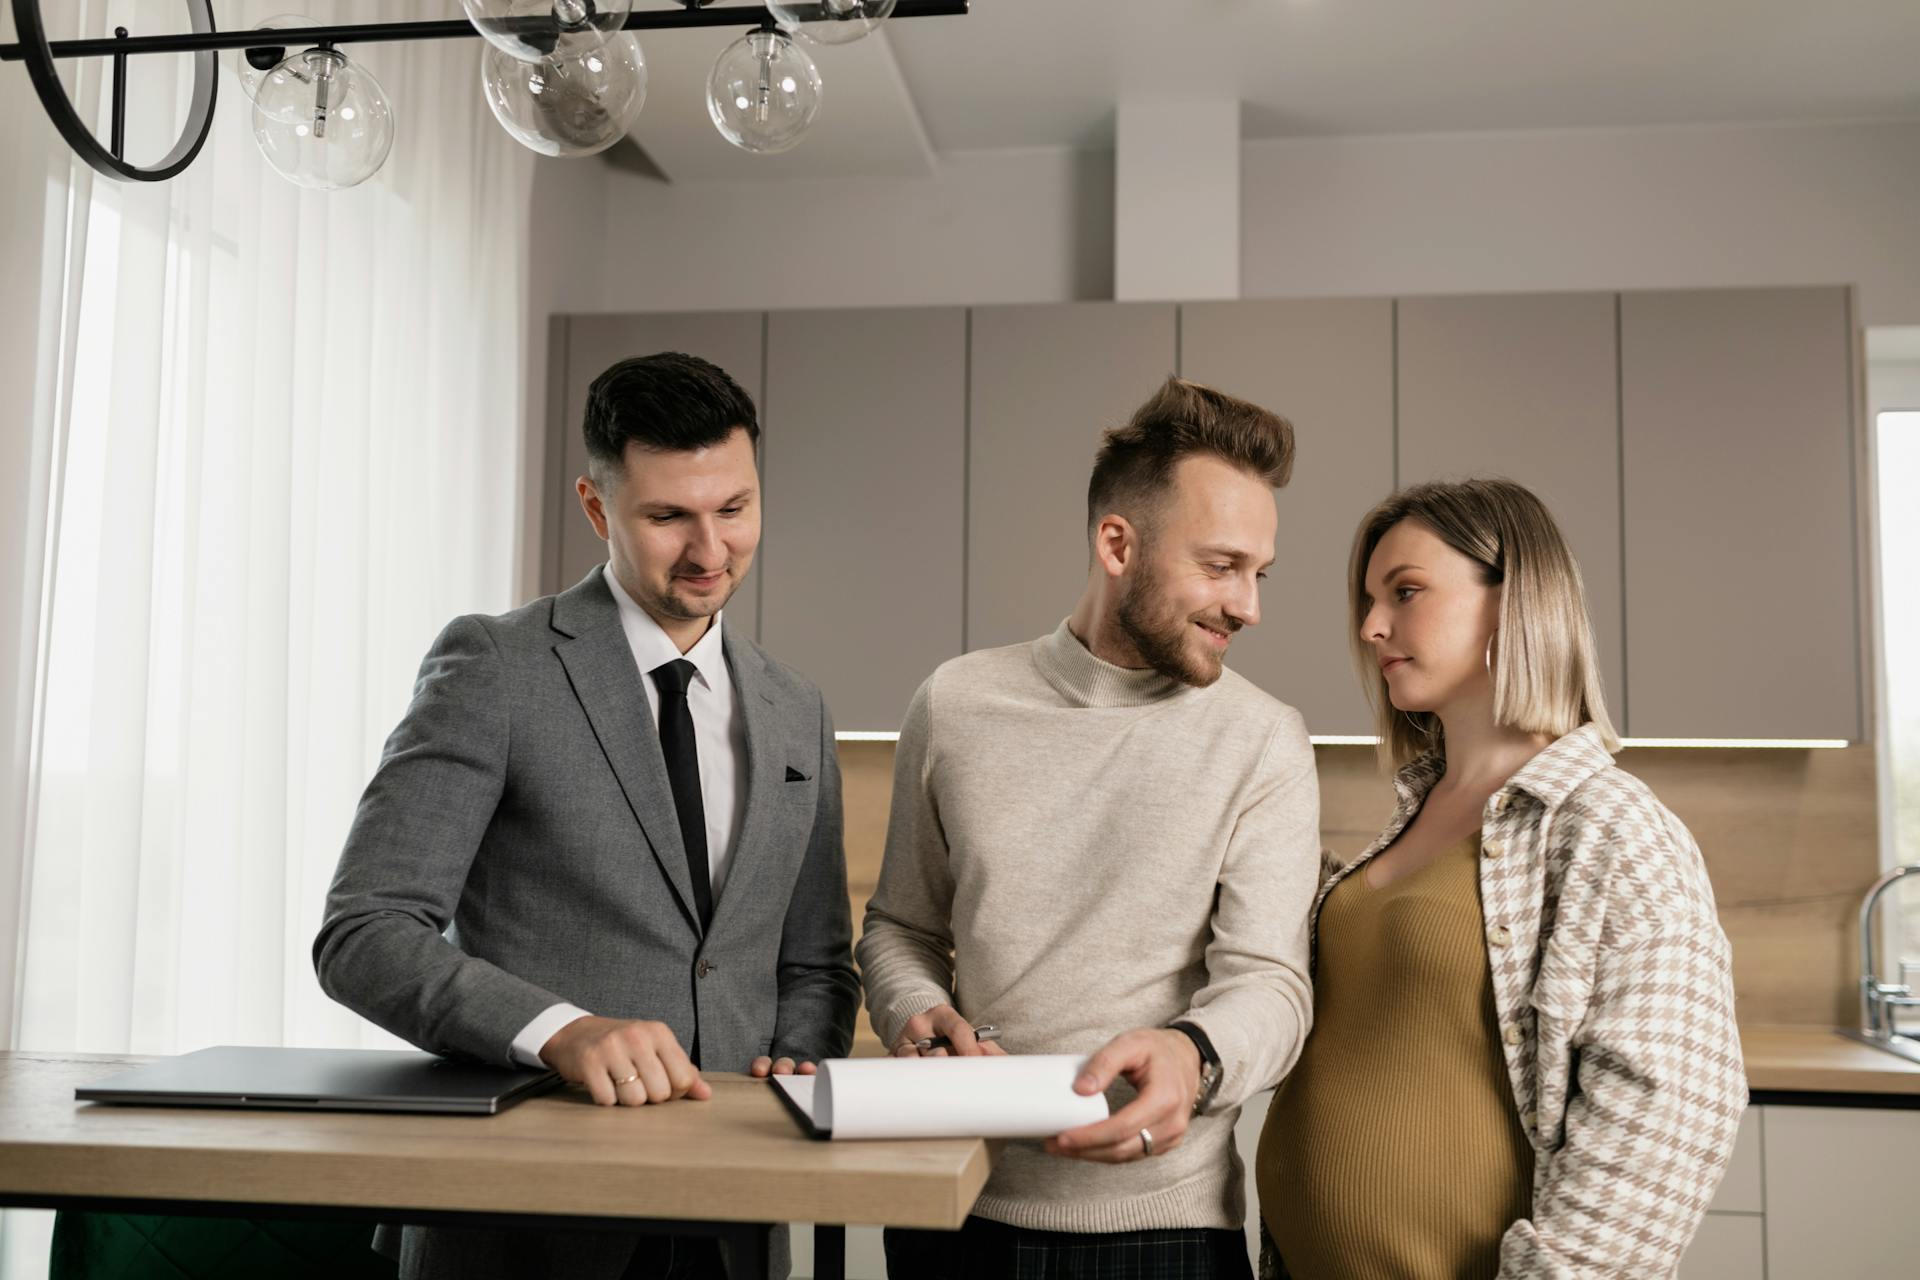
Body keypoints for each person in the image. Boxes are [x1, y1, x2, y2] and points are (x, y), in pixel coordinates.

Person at [314, 352, 859, 1280]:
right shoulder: (495, 666)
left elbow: (813, 963)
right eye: (667, 517)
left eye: (734, 508)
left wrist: (799, 1053)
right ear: (598, 508)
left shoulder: (795, 707)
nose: (710, 550)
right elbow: (363, 934)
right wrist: (561, 1030)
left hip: (734, 1230)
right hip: (520, 1224)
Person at [860, 376, 1322, 1279]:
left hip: (1169, 1230)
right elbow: (900, 928)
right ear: (1118, 544)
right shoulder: (955, 704)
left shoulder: (1263, 739)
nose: (1249, 606)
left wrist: (1193, 1055)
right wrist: (917, 1013)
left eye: (1259, 574)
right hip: (953, 1208)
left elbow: (1272, 983)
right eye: (1221, 566)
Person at [1257, 478, 1745, 1279]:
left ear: (1513, 599)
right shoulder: (1415, 812)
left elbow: (1665, 1119)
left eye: (1406, 592)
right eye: (1369, 599)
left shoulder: (1611, 828)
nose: (1371, 625)